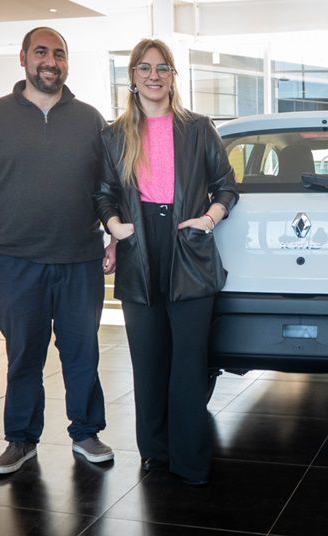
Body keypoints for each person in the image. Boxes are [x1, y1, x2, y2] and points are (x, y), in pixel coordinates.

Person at [0, 27, 113, 474]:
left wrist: (114, 237)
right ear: (23, 57)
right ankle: (21, 439)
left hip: (80, 259)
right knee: (24, 354)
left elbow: (110, 188)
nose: (51, 61)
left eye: (59, 53)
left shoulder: (90, 119)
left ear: (67, 62)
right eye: (41, 52)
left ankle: (86, 432)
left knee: (82, 352)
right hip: (13, 260)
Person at [93, 38, 238, 485]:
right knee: (149, 361)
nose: (153, 76)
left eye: (162, 68)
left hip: (188, 246)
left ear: (174, 75)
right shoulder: (114, 135)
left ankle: (190, 460)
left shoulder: (198, 128)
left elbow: (226, 186)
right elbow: (104, 193)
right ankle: (154, 453)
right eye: (144, 68)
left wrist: (207, 221)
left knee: (189, 364)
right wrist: (115, 228)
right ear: (132, 77)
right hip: (140, 247)